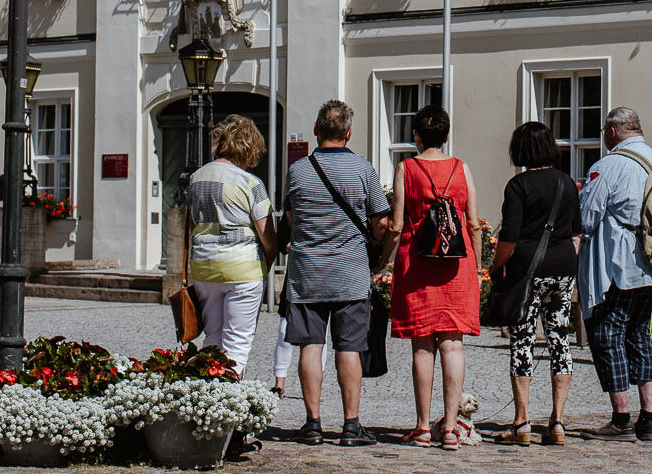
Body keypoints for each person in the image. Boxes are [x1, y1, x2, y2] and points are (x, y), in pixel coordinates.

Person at [280, 99, 392, 447]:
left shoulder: (298, 171)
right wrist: (379, 252)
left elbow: (290, 219)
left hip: (307, 273)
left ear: (316, 130)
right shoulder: (363, 168)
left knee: (310, 347)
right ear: (349, 132)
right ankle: (350, 425)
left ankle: (312, 423)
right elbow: (380, 222)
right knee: (349, 347)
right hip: (350, 271)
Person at [577, 106, 652, 442]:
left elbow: (587, 217)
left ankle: (621, 418)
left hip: (623, 264)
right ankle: (648, 417)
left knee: (610, 334)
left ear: (611, 132)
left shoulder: (608, 165)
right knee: (639, 332)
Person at [387, 105, 480, 449]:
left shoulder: (406, 168)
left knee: (423, 345)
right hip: (457, 265)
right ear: (447, 135)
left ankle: (424, 426)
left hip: (418, 263)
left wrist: (383, 258)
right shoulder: (461, 168)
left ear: (416, 136)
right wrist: (478, 265)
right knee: (452, 343)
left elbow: (397, 223)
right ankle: (452, 428)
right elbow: (473, 221)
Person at [491, 121, 580, 447]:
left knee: (523, 341)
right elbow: (576, 233)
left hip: (527, 271)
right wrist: (565, 261)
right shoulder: (567, 183)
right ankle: (557, 422)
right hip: (563, 268)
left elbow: (509, 238)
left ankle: (522, 422)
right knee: (560, 340)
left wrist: (495, 265)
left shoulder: (518, 185)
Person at [184, 115, 278, 378]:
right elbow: (267, 237)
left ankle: (205, 397)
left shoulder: (197, 177)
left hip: (204, 267)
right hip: (243, 268)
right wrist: (266, 267)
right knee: (238, 340)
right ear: (249, 147)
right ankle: (229, 402)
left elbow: (192, 224)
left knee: (212, 336)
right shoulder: (250, 183)